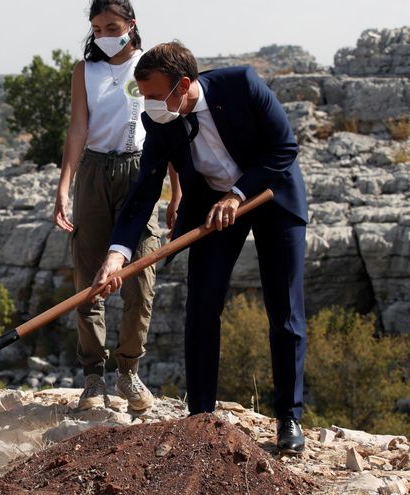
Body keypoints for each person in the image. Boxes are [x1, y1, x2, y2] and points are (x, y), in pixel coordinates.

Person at [92, 41, 308, 454]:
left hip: (270, 196)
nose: (148, 104)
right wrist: (117, 254)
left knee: (284, 310)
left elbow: (285, 148)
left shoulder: (242, 85)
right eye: (143, 95)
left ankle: (289, 418)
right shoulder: (161, 120)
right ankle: (200, 418)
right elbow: (143, 192)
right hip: (212, 210)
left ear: (185, 85)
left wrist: (239, 194)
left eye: (154, 95)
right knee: (202, 306)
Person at [54, 0, 180, 412]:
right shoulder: (84, 71)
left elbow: (169, 126)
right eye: (98, 29)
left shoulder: (150, 64)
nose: (106, 36)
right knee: (89, 278)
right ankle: (94, 376)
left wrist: (177, 189)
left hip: (140, 173)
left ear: (131, 24)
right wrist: (64, 186)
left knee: (140, 279)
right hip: (93, 172)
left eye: (112, 26)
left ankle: (129, 370)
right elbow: (78, 126)